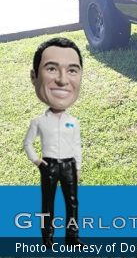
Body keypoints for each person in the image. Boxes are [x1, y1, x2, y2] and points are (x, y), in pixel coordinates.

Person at [23, 37, 84, 248]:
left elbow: (76, 146)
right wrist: (38, 161)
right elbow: (28, 143)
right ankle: (47, 240)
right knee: (47, 203)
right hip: (48, 165)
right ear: (34, 77)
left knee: (72, 203)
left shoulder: (72, 122)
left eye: (72, 71)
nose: (62, 80)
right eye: (51, 69)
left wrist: (77, 167)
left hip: (68, 165)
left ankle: (72, 238)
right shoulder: (39, 121)